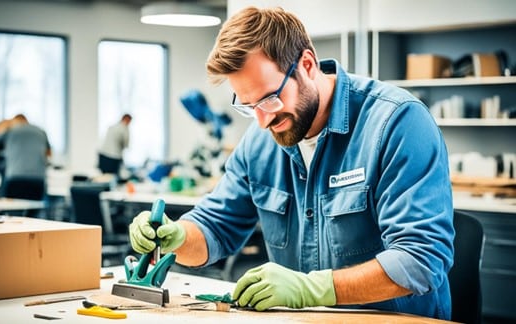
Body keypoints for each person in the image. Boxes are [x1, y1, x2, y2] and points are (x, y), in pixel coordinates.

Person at [129, 6, 454, 320]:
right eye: (248, 105)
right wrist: (178, 236)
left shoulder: (396, 122)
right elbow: (215, 227)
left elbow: (421, 259)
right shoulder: (259, 142)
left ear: (308, 65)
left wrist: (312, 289)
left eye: (270, 98)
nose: (262, 120)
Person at [0, 114, 51, 201]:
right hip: (38, 181)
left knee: (10, 211)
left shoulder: (10, 130)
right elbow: (49, 154)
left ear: (15, 121)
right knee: (32, 212)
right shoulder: (41, 132)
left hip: (15, 180)